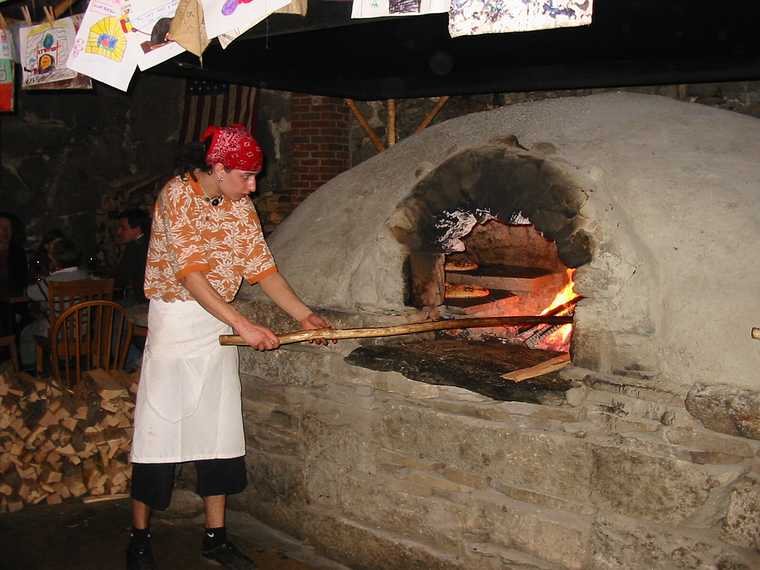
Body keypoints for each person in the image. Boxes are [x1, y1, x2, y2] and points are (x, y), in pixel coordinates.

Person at [127, 124, 332, 570]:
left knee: (218, 434)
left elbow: (262, 268)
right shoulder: (176, 196)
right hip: (177, 322)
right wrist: (244, 323)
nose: (253, 185)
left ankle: (215, 538)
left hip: (216, 327)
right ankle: (139, 537)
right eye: (246, 176)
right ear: (218, 169)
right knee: (158, 435)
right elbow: (192, 275)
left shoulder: (239, 204)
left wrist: (303, 315)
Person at [19, 238, 91, 369]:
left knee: (26, 332)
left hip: (57, 334)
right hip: (84, 333)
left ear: (54, 259)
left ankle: (30, 371)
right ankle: (68, 362)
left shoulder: (51, 282)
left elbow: (30, 293)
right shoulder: (86, 276)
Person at [114, 208, 151, 307]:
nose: (119, 232)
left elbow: (122, 277)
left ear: (137, 229)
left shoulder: (135, 246)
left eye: (123, 228)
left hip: (142, 300)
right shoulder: (151, 241)